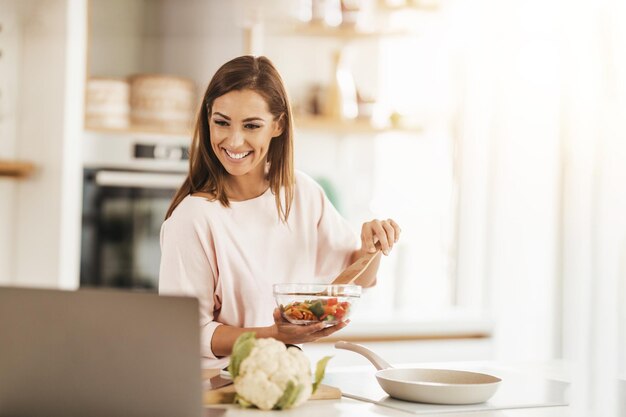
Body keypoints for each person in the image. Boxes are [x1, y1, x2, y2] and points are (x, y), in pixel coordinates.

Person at [159, 55, 401, 369]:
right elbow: (187, 334)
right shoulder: (192, 219)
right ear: (208, 119)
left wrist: (372, 248)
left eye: (251, 125)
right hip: (217, 392)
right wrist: (277, 334)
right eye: (221, 122)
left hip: (287, 381)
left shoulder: (302, 193)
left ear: (278, 125)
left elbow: (353, 283)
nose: (234, 140)